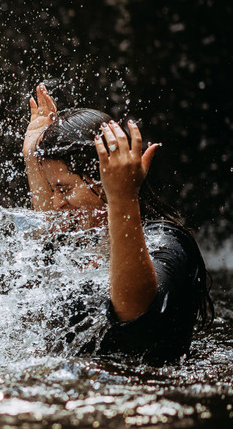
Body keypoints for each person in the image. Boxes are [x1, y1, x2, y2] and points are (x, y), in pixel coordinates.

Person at [23, 82, 212, 359]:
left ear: (106, 180)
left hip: (144, 391)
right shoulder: (87, 238)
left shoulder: (168, 241)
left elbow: (134, 313)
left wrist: (123, 197)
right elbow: (52, 234)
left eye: (62, 189)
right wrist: (32, 157)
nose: (54, 202)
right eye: (52, 190)